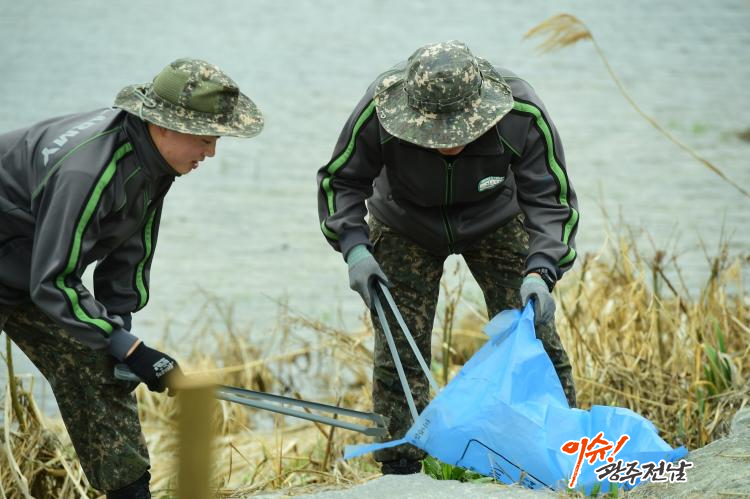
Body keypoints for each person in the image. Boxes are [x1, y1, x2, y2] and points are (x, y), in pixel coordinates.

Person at [0, 58, 263, 497]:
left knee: (100, 365)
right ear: (165, 126)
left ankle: (130, 492)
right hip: (32, 269)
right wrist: (132, 348)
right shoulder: (87, 172)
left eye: (216, 140)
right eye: (205, 139)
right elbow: (55, 282)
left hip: (25, 264)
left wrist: (119, 334)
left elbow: (129, 253)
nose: (211, 152)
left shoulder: (152, 161)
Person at [317, 41, 579, 475]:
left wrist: (541, 271)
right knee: (399, 347)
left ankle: (562, 452)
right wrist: (355, 248)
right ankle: (401, 468)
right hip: (403, 222)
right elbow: (341, 181)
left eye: (459, 132)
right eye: (434, 134)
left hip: (497, 216)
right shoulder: (379, 110)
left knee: (532, 333)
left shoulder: (521, 112)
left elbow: (552, 200)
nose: (448, 145)